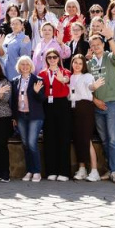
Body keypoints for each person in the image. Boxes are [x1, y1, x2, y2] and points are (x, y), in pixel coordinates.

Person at [87, 31, 115, 183]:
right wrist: (95, 100)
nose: (96, 47)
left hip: (112, 103)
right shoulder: (89, 64)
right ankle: (110, 168)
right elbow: (86, 86)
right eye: (93, 45)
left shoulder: (109, 57)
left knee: (113, 139)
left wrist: (110, 38)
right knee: (104, 140)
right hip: (97, 105)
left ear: (103, 45)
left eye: (98, 44)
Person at [39, 50, 72, 181]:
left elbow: (67, 79)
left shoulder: (65, 71)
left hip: (62, 104)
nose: (52, 59)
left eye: (54, 57)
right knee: (49, 137)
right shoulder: (42, 73)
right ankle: (51, 170)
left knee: (63, 137)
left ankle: (64, 172)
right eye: (49, 57)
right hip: (47, 105)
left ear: (59, 58)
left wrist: (62, 79)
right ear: (46, 59)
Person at [68, 54, 101, 182]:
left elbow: (90, 86)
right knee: (78, 139)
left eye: (80, 63)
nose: (77, 65)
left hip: (85, 108)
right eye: (75, 62)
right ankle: (82, 169)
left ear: (84, 65)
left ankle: (94, 170)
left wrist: (94, 87)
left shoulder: (87, 76)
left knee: (87, 139)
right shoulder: (70, 77)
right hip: (73, 108)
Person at [11, 56, 44, 182]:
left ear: (31, 66)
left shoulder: (38, 80)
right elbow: (13, 100)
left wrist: (36, 92)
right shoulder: (15, 81)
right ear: (19, 66)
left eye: (27, 64)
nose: (25, 66)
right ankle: (30, 171)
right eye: (22, 64)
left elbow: (42, 99)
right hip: (20, 116)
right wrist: (14, 117)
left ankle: (37, 171)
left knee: (31, 143)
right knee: (25, 144)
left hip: (34, 116)